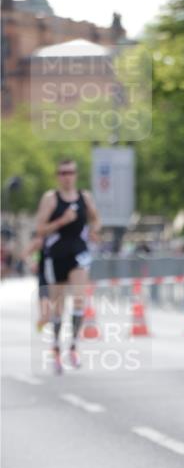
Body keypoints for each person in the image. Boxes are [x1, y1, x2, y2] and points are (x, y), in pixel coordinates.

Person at [34, 158, 101, 374]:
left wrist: (94, 230)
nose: (67, 176)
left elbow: (96, 219)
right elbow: (40, 229)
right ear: (57, 176)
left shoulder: (85, 197)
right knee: (58, 307)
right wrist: (61, 221)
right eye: (63, 172)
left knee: (80, 299)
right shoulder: (50, 199)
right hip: (56, 255)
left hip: (78, 252)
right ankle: (56, 348)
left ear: (75, 174)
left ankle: (73, 346)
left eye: (70, 172)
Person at [22, 232, 50, 330]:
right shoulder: (40, 240)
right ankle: (43, 318)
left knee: (54, 296)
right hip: (44, 272)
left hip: (57, 272)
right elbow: (25, 254)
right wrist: (32, 264)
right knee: (43, 296)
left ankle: (48, 318)